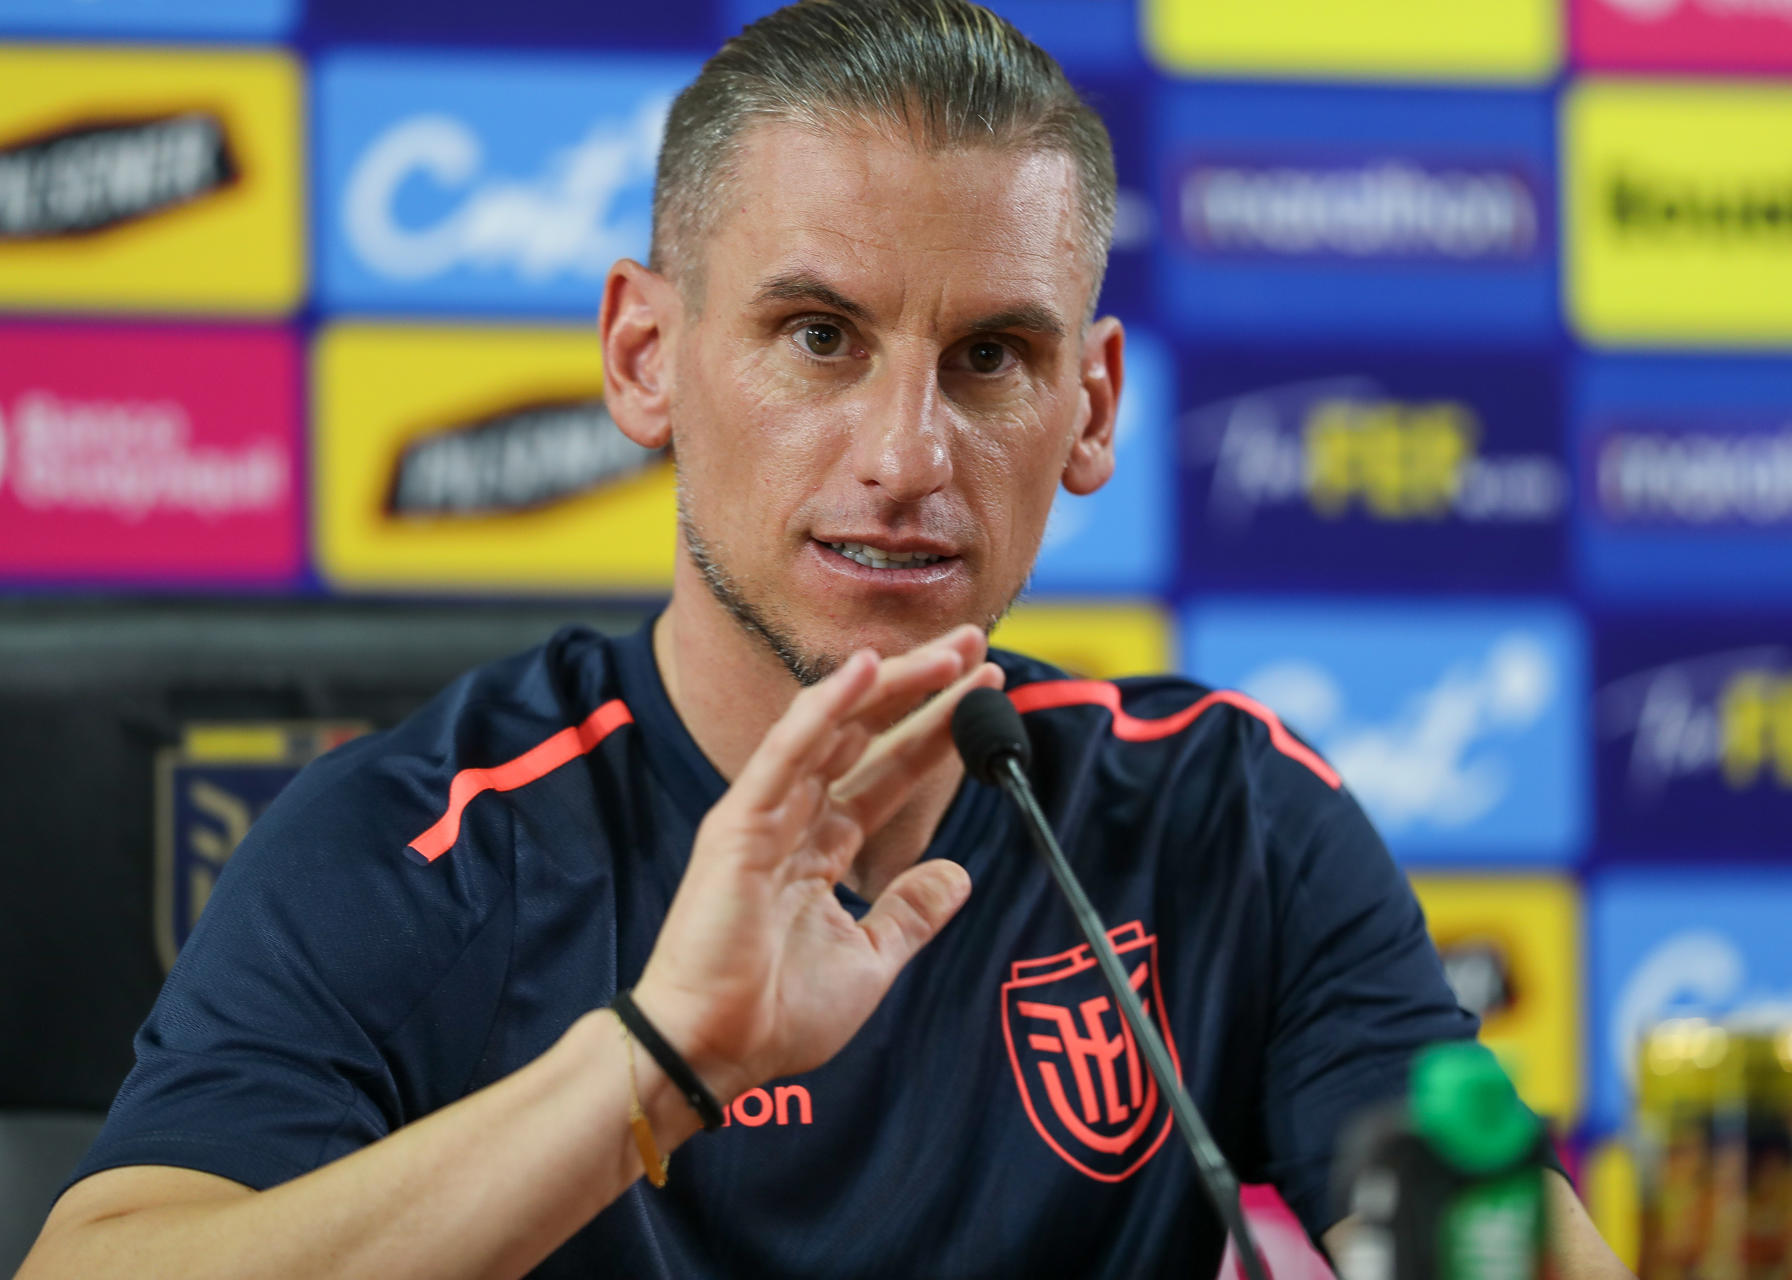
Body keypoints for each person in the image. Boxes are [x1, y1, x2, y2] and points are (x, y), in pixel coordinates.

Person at [18, 2, 1632, 1276]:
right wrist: (654, 1063)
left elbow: (1494, 1242)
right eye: (817, 337)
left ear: (1093, 405)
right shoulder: (416, 845)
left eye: (993, 357)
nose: (908, 456)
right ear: (645, 358)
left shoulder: (1231, 816)